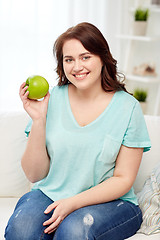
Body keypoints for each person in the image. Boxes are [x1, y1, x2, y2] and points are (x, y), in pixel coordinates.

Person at [5, 22, 151, 240]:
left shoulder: (127, 107)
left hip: (110, 202)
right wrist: (38, 120)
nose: (77, 66)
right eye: (69, 59)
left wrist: (72, 203)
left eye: (85, 57)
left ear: (103, 58)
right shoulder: (51, 99)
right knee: (22, 230)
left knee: (73, 230)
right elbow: (35, 174)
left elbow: (123, 179)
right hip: (50, 193)